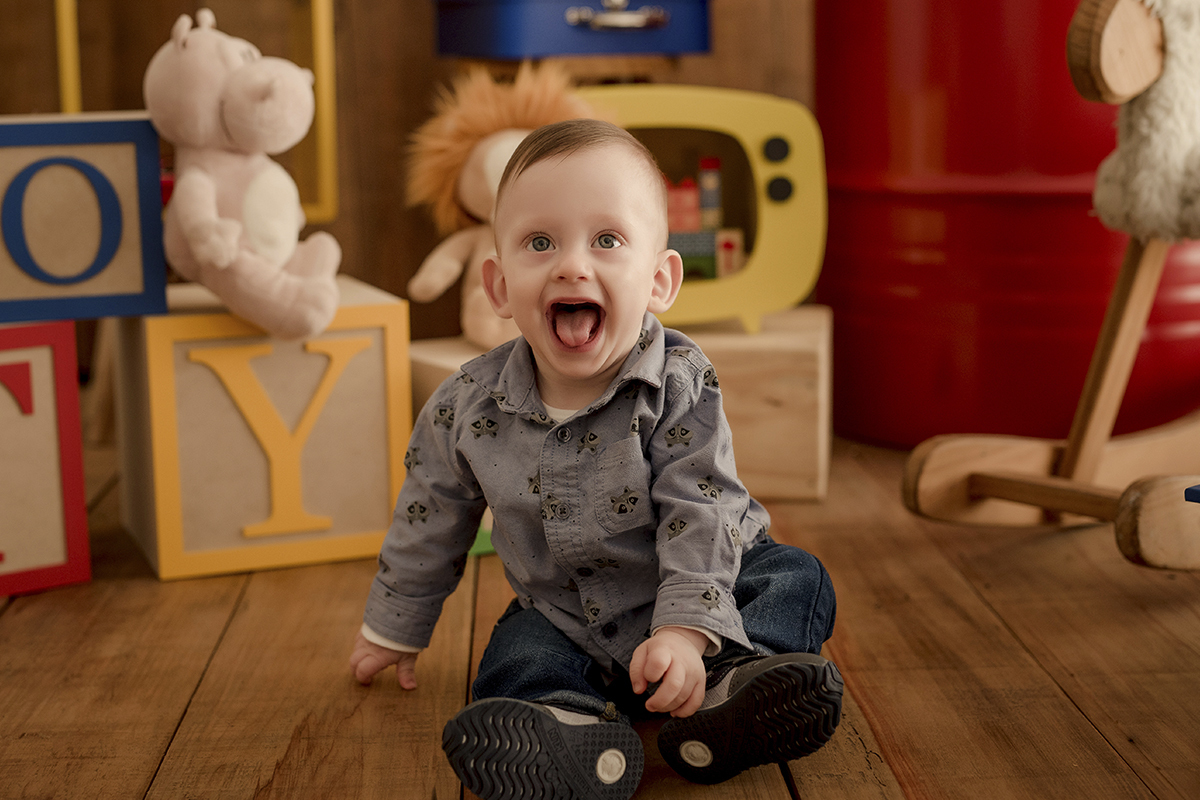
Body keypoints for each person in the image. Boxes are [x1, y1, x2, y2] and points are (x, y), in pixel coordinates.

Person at [350, 118, 842, 799]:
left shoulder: (678, 380)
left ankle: (731, 688)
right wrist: (394, 627)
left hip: (706, 585)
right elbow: (429, 516)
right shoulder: (465, 407)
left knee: (796, 578)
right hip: (565, 613)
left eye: (607, 240)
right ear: (497, 286)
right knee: (513, 659)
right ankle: (567, 731)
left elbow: (702, 504)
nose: (572, 265)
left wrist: (684, 630)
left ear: (660, 280)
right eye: (539, 241)